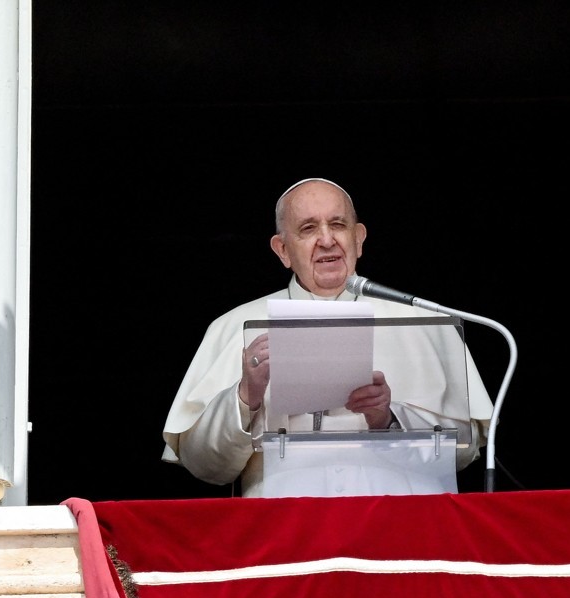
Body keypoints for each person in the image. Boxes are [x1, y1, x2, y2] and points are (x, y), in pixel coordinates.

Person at [162, 178, 493, 497]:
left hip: (399, 534)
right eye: (308, 229)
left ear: (358, 238)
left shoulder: (424, 321)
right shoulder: (233, 326)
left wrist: (388, 419)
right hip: (282, 538)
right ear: (282, 250)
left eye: (337, 225)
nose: (326, 239)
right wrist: (246, 396)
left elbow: (462, 454)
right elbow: (204, 465)